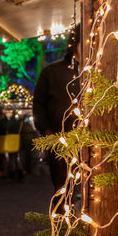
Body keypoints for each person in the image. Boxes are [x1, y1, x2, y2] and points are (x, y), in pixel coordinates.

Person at [33, 24, 81, 192]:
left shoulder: (99, 71)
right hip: (60, 138)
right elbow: (38, 104)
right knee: (62, 187)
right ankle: (61, 215)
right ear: (75, 44)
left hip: (92, 140)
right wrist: (46, 130)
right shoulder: (52, 72)